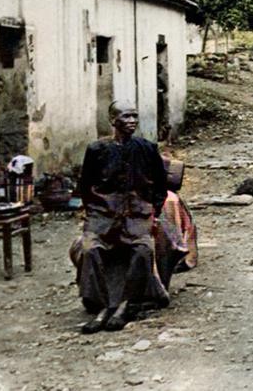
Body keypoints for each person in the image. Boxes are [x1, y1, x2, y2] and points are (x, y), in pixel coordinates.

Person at [76, 101, 169, 333]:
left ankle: (126, 305)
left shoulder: (147, 148)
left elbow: (160, 186)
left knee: (143, 249)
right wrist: (93, 214)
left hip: (137, 215)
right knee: (89, 249)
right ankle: (102, 307)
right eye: (125, 116)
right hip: (103, 215)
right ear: (112, 120)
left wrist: (152, 211)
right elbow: (85, 186)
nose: (132, 121)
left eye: (134, 116)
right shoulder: (97, 150)